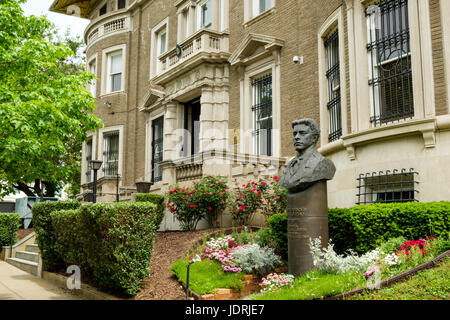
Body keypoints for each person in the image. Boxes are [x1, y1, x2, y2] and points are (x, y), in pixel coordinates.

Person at [279, 118, 336, 193]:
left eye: (302, 133)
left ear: (314, 137)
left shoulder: (323, 163)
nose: (296, 137)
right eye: (295, 134)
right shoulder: (291, 164)